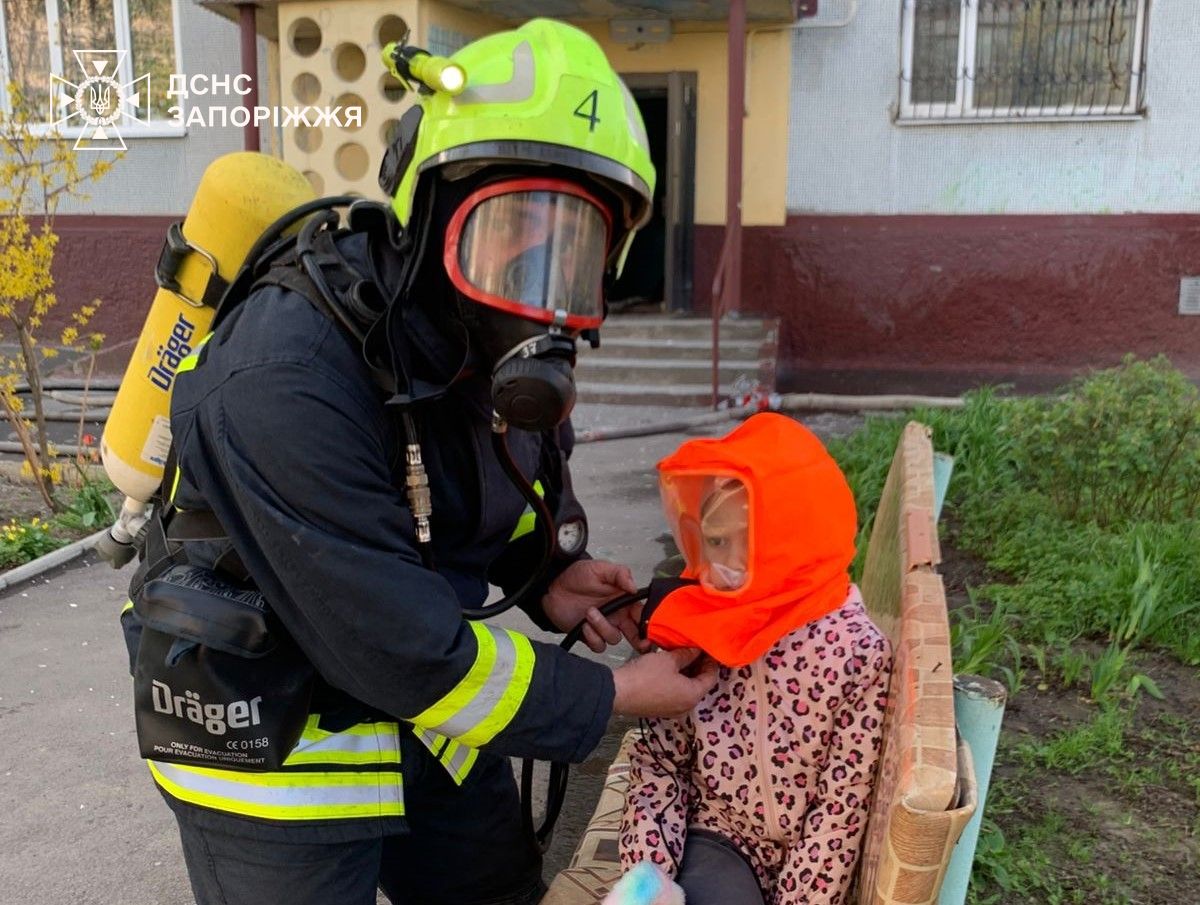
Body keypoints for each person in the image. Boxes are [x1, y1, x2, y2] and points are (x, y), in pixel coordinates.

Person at [119, 18, 717, 905]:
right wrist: (614, 694)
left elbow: (462, 495)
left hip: (420, 710)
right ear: (427, 211)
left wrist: (545, 571)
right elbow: (401, 648)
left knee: (495, 889)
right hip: (269, 729)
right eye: (511, 228)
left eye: (573, 251)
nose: (538, 287)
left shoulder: (462, 350)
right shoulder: (284, 376)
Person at [616, 413, 893, 905]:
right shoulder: (698, 627)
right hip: (722, 838)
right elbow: (660, 765)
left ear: (796, 535)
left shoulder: (854, 654)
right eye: (715, 541)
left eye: (746, 541)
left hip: (813, 857)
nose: (723, 566)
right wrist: (649, 880)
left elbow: (839, 807)